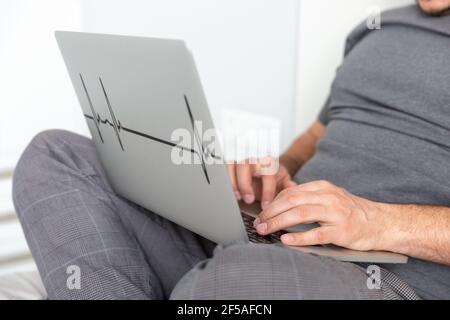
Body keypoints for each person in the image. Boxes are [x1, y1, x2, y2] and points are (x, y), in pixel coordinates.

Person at [12, 2, 450, 299]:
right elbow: (320, 132)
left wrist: (378, 222)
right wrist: (278, 170)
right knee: (55, 156)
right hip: (265, 233)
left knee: (234, 279)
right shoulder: (378, 29)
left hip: (381, 278)